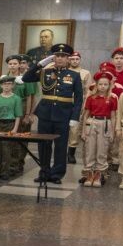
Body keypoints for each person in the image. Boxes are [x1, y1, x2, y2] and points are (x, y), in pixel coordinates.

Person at [20, 43, 82, 184]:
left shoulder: (74, 75)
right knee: (44, 145)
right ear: (53, 58)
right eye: (57, 56)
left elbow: (79, 99)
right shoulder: (45, 72)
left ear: (68, 59)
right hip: (45, 113)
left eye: (63, 56)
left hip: (64, 115)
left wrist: (75, 117)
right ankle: (44, 172)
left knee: (60, 146)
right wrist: (40, 64)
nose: (60, 58)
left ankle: (57, 174)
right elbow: (26, 78)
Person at [80, 72, 116, 187]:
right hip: (92, 122)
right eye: (100, 84)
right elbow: (85, 115)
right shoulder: (91, 98)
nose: (103, 86)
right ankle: (89, 173)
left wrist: (112, 132)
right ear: (96, 85)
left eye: (105, 84)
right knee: (89, 149)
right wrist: (83, 130)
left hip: (105, 123)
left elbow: (114, 116)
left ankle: (99, 174)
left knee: (102, 149)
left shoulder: (112, 98)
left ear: (109, 85)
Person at [0, 75, 24, 179]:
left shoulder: (16, 99)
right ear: (1, 85)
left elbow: (18, 115)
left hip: (10, 123)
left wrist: (15, 129)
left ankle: (5, 172)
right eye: (4, 84)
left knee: (7, 150)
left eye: (9, 84)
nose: (6, 86)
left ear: (13, 85)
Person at [66, 51, 93, 163]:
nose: (75, 61)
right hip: (65, 102)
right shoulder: (65, 72)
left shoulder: (85, 73)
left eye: (77, 59)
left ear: (80, 60)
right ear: (69, 60)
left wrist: (85, 105)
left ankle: (71, 153)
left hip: (78, 103)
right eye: (72, 59)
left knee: (74, 129)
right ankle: (61, 151)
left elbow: (88, 91)